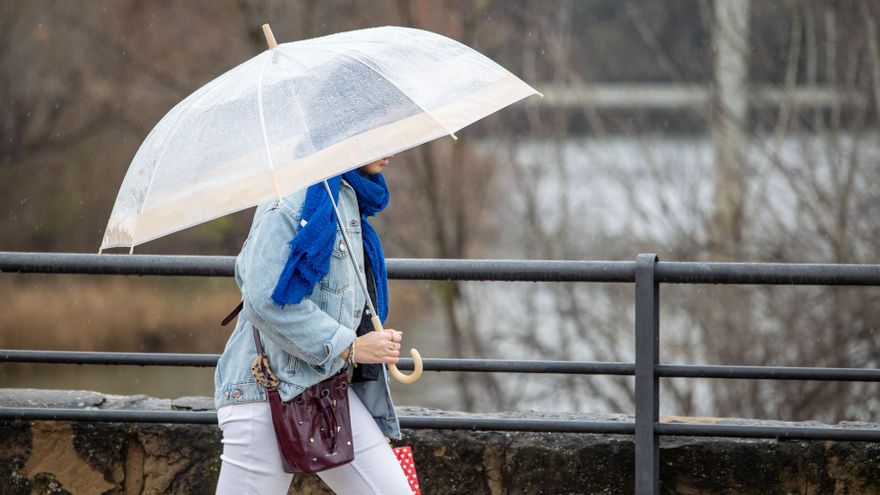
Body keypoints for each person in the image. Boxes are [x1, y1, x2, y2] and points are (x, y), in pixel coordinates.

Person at [214, 156, 413, 494]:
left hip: (324, 391)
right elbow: (263, 300)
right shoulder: (291, 198)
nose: (391, 151)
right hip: (265, 393)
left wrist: (366, 335)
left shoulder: (341, 197)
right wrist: (351, 347)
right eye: (379, 136)